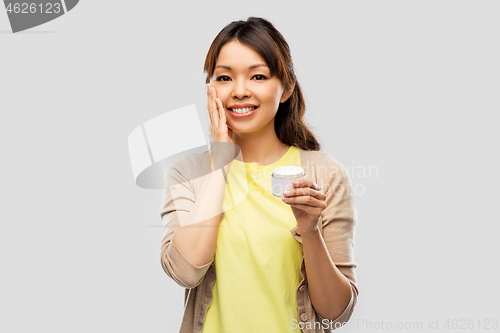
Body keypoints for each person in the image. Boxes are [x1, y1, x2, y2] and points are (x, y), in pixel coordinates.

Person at [160, 17, 358, 333]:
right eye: (224, 77)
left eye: (258, 76)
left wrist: (310, 231)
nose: (239, 91)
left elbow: (335, 313)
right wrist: (221, 161)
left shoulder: (325, 173)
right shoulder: (188, 174)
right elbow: (186, 272)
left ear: (286, 88)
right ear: (210, 89)